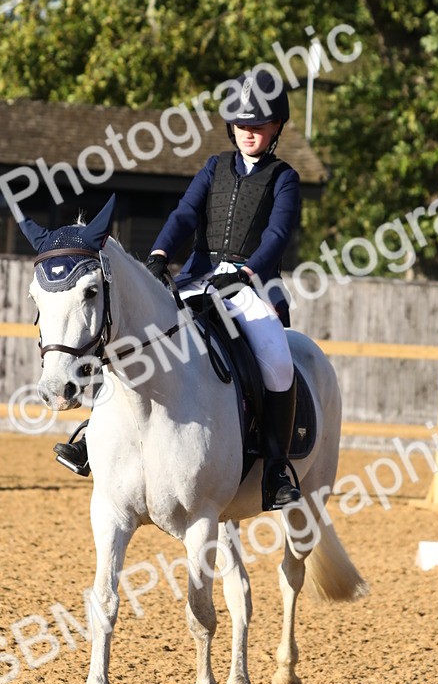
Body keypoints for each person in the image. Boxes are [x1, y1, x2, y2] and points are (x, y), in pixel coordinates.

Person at [54, 68, 303, 510]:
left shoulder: (284, 178)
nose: (249, 134)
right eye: (242, 125)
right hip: (198, 278)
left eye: (258, 126)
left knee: (279, 363)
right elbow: (186, 213)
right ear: (231, 127)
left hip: (251, 285)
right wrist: (161, 252)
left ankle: (277, 468)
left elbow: (278, 235)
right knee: (135, 339)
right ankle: (90, 435)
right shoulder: (214, 168)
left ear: (276, 128)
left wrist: (248, 273)